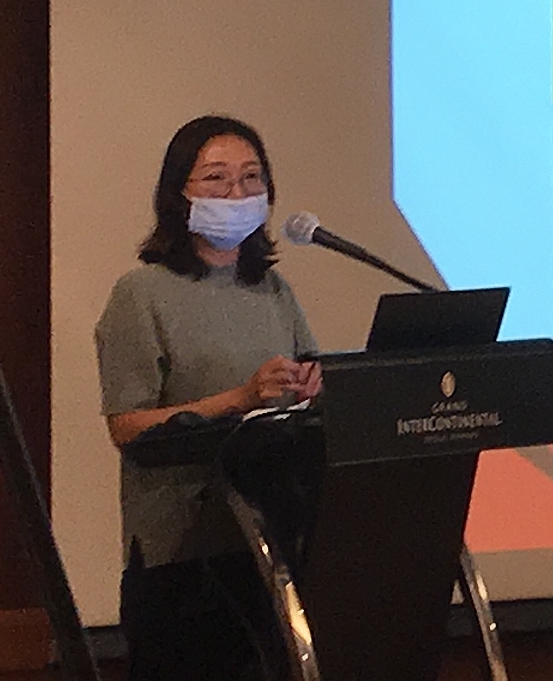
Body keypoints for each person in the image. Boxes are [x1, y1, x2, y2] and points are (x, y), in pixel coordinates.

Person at [95, 115, 321, 681]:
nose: (237, 193)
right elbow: (127, 427)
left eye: (252, 177)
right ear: (179, 194)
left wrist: (313, 387)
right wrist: (241, 397)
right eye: (217, 178)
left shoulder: (272, 289)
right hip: (181, 558)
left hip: (270, 543)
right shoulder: (141, 293)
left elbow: (307, 381)